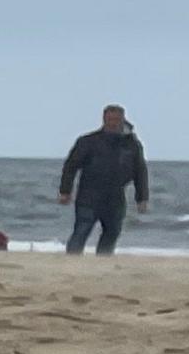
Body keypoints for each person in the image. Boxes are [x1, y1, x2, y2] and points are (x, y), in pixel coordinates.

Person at [56, 106, 149, 255]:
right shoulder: (88, 141)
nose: (113, 123)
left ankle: (103, 263)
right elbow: (70, 166)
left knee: (112, 233)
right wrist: (65, 191)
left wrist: (142, 198)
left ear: (122, 120)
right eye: (110, 119)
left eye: (117, 120)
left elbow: (140, 171)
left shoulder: (131, 145)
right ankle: (71, 261)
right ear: (104, 119)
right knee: (81, 231)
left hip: (115, 198)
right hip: (89, 196)